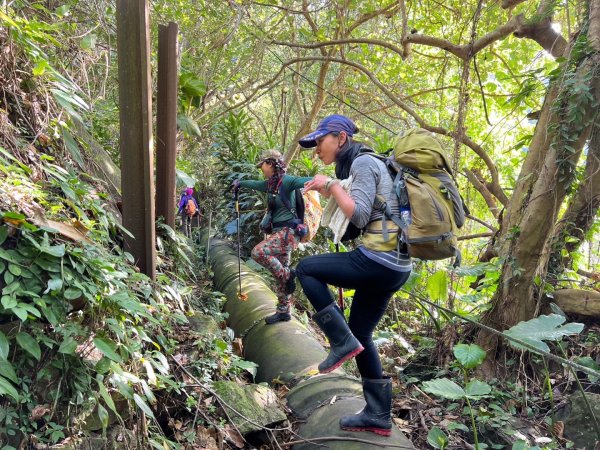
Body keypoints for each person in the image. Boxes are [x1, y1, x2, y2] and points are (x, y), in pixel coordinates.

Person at [297, 115, 411, 437]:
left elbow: (359, 213)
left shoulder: (362, 163)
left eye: (320, 142)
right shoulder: (373, 164)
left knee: (305, 268)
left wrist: (330, 185)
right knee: (363, 332)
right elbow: (364, 218)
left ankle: (339, 341)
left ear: (341, 138)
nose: (317, 149)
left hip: (378, 260)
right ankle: (378, 414)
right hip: (397, 267)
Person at [232, 149, 313, 324]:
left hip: (288, 233)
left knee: (258, 253)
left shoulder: (288, 181)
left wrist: (326, 181)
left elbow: (305, 181)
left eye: (262, 165)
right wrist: (240, 183)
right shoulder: (270, 184)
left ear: (270, 163)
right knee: (281, 276)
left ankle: (288, 275)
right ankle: (284, 311)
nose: (261, 168)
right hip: (279, 233)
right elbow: (255, 184)